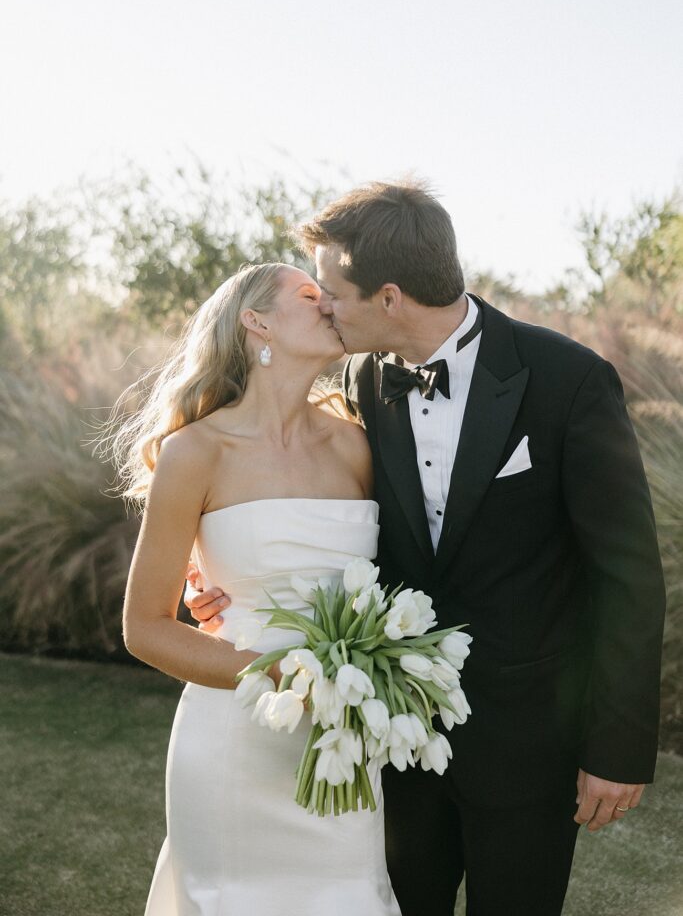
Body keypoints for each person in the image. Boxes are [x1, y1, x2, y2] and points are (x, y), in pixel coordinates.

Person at [189, 182, 666, 916]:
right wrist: (226, 580)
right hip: (390, 740)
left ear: (387, 298)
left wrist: (617, 750)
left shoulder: (566, 381)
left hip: (528, 739)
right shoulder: (357, 381)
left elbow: (627, 575)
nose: (320, 305)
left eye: (329, 291)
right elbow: (321, 514)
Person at [114, 262, 401, 915]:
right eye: (308, 294)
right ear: (255, 320)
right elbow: (144, 627)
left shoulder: (357, 447)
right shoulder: (196, 453)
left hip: (342, 736)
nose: (329, 303)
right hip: (234, 736)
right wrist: (278, 674)